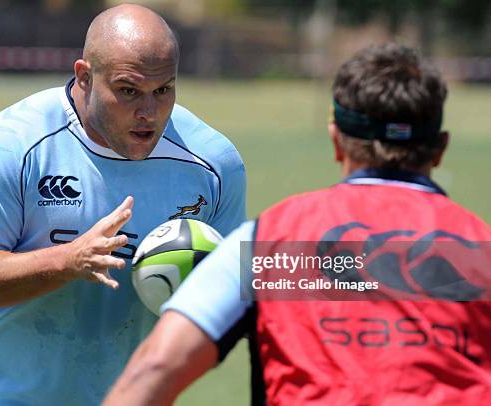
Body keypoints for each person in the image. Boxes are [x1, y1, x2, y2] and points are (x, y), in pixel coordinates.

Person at [104, 43, 491, 405]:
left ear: (336, 139)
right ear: (440, 149)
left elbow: (154, 370)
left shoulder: (272, 246)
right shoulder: (481, 253)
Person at [0, 4, 246, 405]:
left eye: (163, 90)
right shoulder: (15, 141)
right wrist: (67, 261)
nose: (149, 112)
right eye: (128, 90)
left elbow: (236, 294)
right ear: (85, 77)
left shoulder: (213, 163)